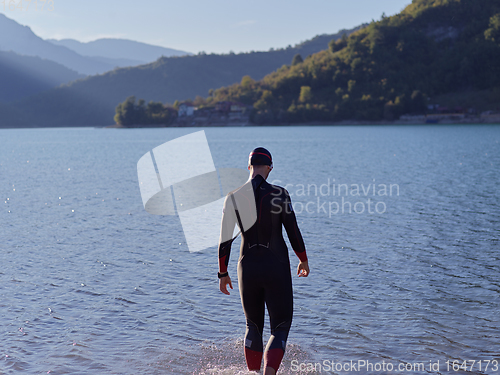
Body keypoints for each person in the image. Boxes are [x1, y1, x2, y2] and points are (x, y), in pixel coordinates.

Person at [217, 147, 310, 375]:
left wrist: (222, 273)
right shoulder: (280, 194)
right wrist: (303, 261)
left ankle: (253, 374)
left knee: (253, 326)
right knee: (280, 326)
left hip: (246, 267)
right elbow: (293, 233)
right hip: (275, 266)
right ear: (269, 167)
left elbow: (224, 242)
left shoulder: (233, 197)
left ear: (249, 167)